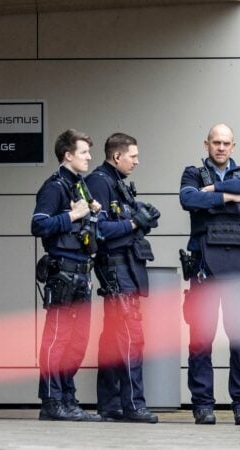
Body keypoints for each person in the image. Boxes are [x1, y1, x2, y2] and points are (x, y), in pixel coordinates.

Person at [179, 123, 240, 426]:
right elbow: (188, 199)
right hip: (204, 268)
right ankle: (203, 404)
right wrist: (229, 198)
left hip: (239, 268)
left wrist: (214, 191)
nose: (221, 148)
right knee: (201, 338)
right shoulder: (192, 173)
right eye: (216, 142)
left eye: (226, 143)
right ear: (207, 144)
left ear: (233, 146)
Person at [85, 133, 161, 424]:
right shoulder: (99, 182)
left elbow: (123, 225)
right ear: (117, 156)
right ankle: (133, 405)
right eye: (133, 156)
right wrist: (133, 222)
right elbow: (100, 230)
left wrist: (142, 219)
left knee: (114, 341)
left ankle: (111, 404)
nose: (137, 161)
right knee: (131, 338)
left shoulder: (115, 182)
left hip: (126, 267)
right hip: (115, 269)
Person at [31, 129, 102, 422]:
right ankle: (51, 401)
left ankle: (68, 399)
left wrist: (92, 211)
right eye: (84, 152)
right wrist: (73, 216)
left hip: (83, 273)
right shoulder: (54, 186)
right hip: (62, 272)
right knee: (57, 339)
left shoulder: (80, 186)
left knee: (77, 342)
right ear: (68, 155)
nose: (88, 157)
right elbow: (38, 225)